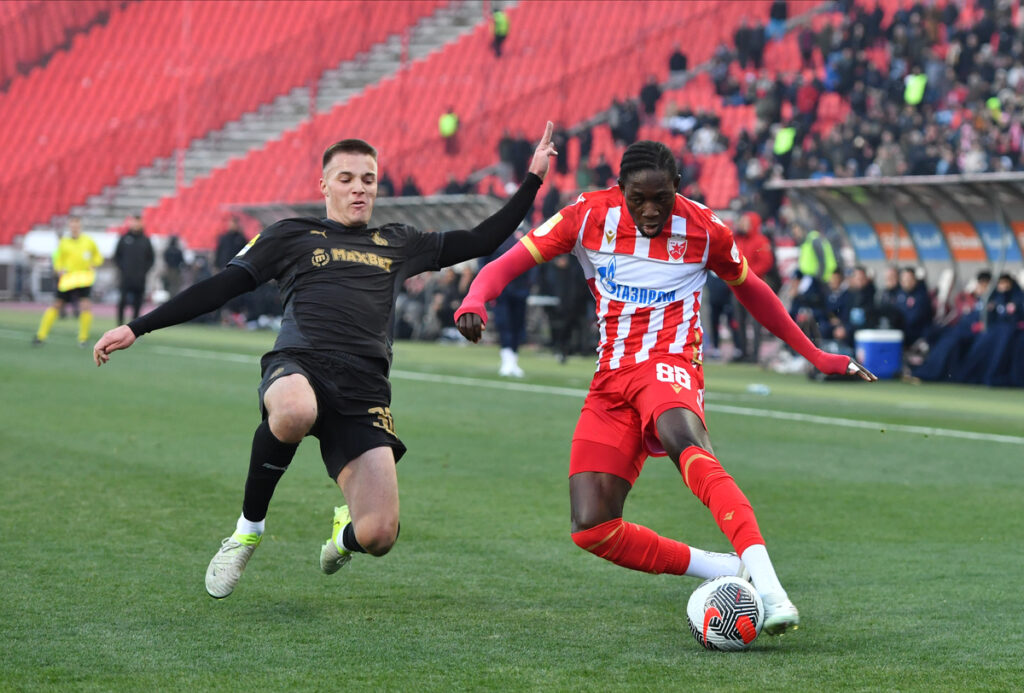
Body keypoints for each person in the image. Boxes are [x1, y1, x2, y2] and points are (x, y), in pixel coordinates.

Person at [92, 122, 558, 599]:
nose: (359, 188)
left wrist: (534, 179)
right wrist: (137, 326)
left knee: (379, 535)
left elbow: (483, 239)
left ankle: (342, 535)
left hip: (363, 392)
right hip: (300, 366)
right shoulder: (291, 235)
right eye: (347, 178)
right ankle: (248, 530)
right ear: (325, 185)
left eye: (369, 179)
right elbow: (220, 287)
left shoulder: (398, 242)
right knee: (294, 411)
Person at [454, 141, 876, 636]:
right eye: (639, 199)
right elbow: (506, 263)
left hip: (669, 363)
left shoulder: (704, 228)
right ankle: (725, 570)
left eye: (662, 198)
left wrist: (819, 355)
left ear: (678, 189)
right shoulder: (587, 216)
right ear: (621, 190)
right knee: (592, 527)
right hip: (610, 379)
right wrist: (476, 299)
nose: (651, 210)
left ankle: (770, 585)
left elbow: (755, 293)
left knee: (685, 442)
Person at [33, 216, 102, 347]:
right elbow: (58, 258)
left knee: (85, 305)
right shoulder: (64, 242)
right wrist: (58, 269)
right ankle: (41, 335)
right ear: (69, 227)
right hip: (69, 278)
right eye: (72, 226)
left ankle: (83, 338)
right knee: (57, 304)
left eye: (77, 225)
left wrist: (94, 263)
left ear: (80, 227)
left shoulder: (88, 241)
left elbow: (98, 256)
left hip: (83, 277)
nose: (74, 228)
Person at [114, 214, 155, 325]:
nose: (136, 224)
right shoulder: (124, 238)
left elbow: (151, 259)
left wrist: (143, 271)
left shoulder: (146, 240)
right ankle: (119, 325)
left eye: (138, 222)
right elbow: (117, 256)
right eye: (134, 221)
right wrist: (123, 269)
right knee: (122, 301)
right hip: (125, 277)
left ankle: (134, 327)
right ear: (130, 223)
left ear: (142, 223)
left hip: (140, 278)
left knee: (137, 303)